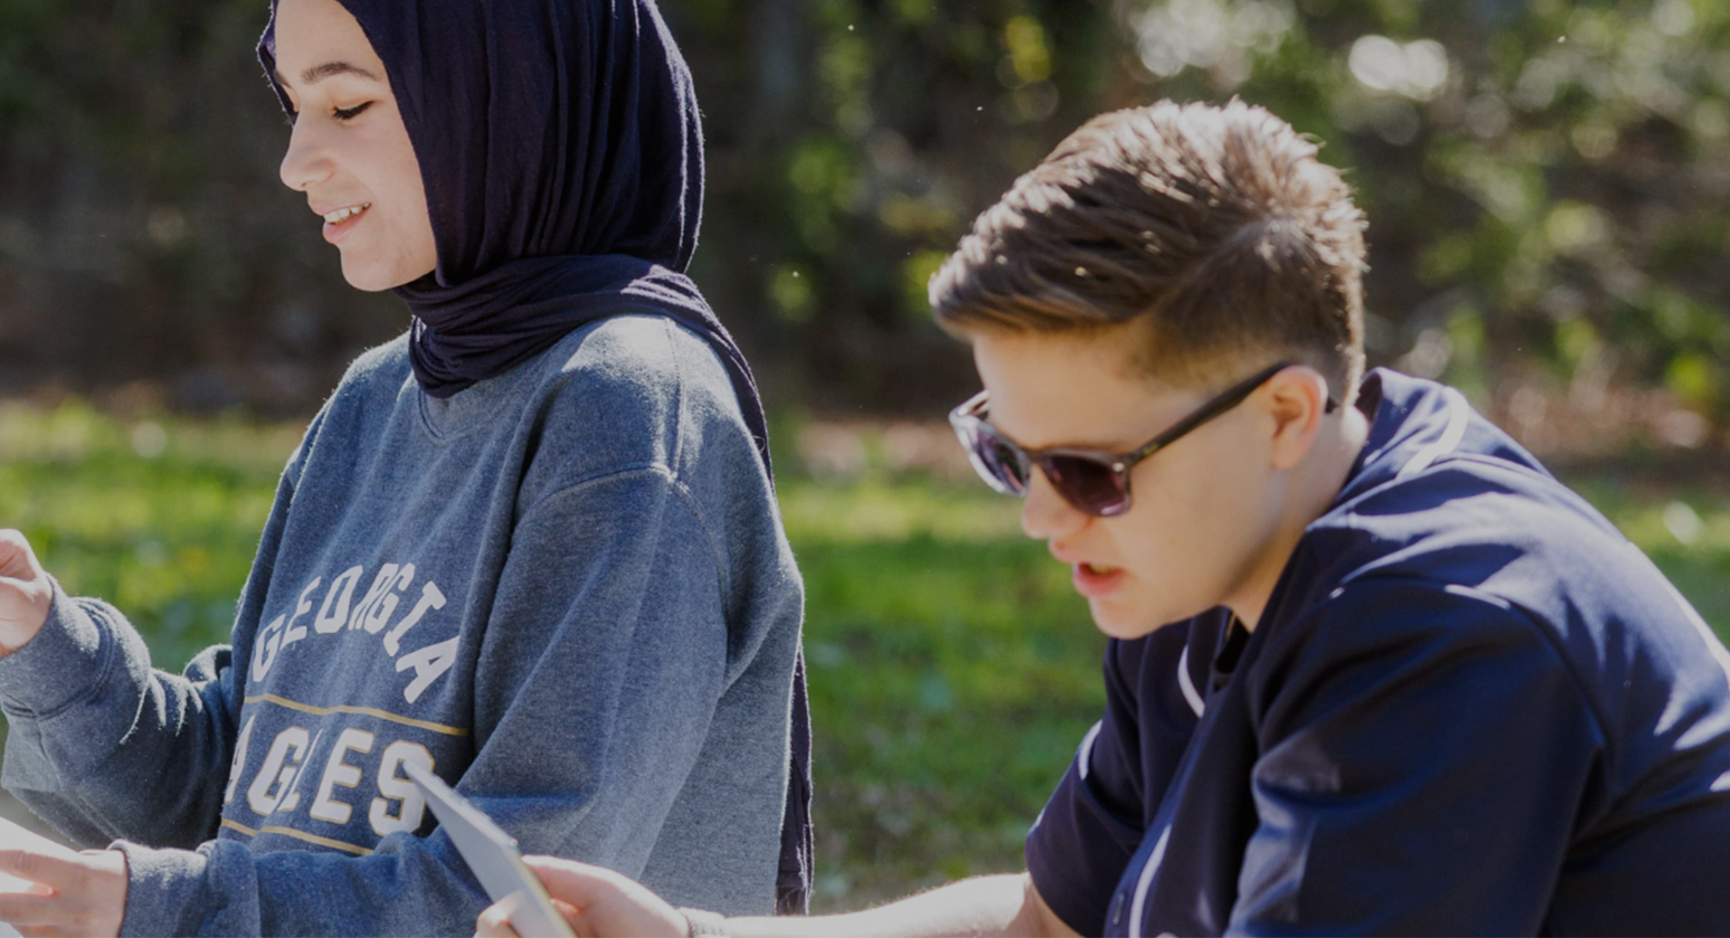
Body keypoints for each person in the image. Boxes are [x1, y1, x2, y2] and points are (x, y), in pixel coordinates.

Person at [479, 99, 1730, 938]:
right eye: (1006, 450)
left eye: (1085, 469)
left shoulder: (1445, 629)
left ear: (1285, 412)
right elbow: (1047, 920)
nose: (1040, 516)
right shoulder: (1212, 543)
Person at [0, 0, 814, 937]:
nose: (296, 161)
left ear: (501, 98)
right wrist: (40, 648)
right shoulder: (375, 397)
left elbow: (536, 899)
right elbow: (231, 792)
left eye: (346, 104)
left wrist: (160, 908)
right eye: (291, 108)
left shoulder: (628, 409)